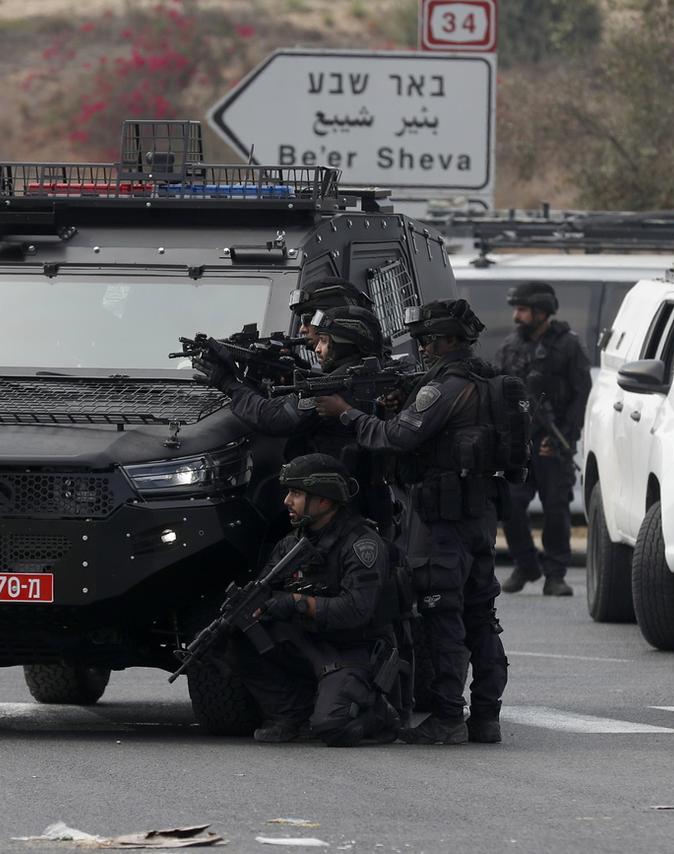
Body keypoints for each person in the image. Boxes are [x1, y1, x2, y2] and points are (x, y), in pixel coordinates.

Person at [313, 299, 508, 745]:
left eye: (428, 340)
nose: (421, 349)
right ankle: (485, 717)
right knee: (483, 616)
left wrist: (346, 412)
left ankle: (446, 717)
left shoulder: (446, 385)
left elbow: (396, 438)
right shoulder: (489, 378)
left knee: (443, 615)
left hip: (442, 521)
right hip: (479, 513)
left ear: (451, 340)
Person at [224, 453, 400, 746]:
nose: (287, 502)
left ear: (325, 500)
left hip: (353, 649)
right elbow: (266, 590)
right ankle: (291, 715)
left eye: (296, 493)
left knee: (332, 728)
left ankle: (381, 715)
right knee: (239, 634)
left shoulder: (362, 544)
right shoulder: (291, 544)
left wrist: (297, 602)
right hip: (312, 642)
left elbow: (357, 611)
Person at [195, 305, 396, 535]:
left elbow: (274, 418)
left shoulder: (337, 385)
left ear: (343, 345)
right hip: (355, 500)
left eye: (324, 341)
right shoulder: (362, 376)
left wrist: (229, 384)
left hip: (337, 508)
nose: (317, 349)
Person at [496, 282, 592, 597]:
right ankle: (526, 564)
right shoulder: (512, 346)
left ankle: (555, 574)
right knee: (510, 505)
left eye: (522, 310)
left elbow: (581, 395)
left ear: (540, 312)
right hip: (519, 443)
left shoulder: (568, 346)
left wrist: (565, 435)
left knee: (555, 509)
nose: (516, 316)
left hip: (554, 440)